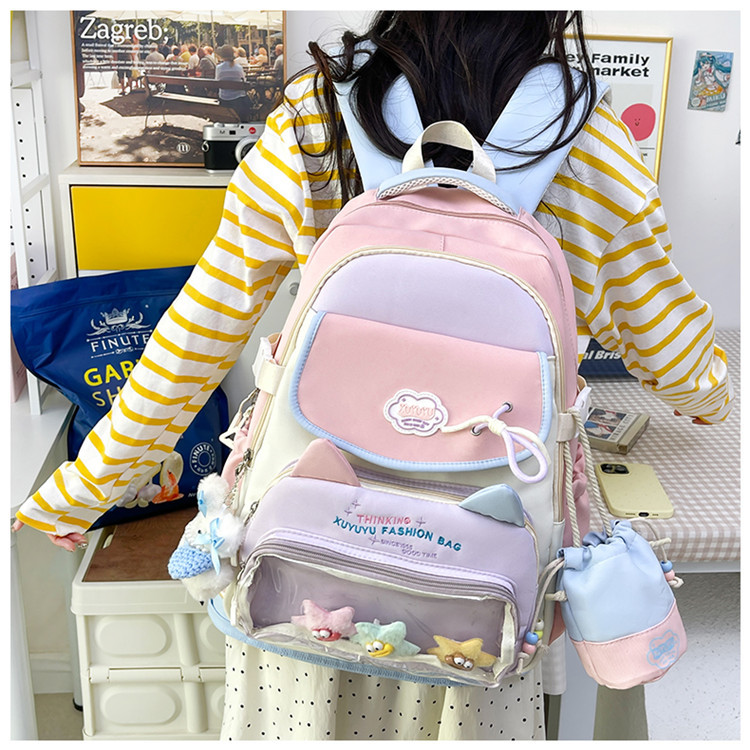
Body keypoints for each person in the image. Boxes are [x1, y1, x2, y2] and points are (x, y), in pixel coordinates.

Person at [13, 11, 733, 742]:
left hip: (305, 550)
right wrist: (711, 392)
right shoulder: (585, 136)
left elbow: (197, 333)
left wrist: (84, 490)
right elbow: (673, 353)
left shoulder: (315, 114)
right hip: (478, 581)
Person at [215, 44, 252, 121]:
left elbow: (217, 81)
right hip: (238, 99)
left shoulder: (219, 68)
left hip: (224, 98)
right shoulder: (238, 67)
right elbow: (244, 81)